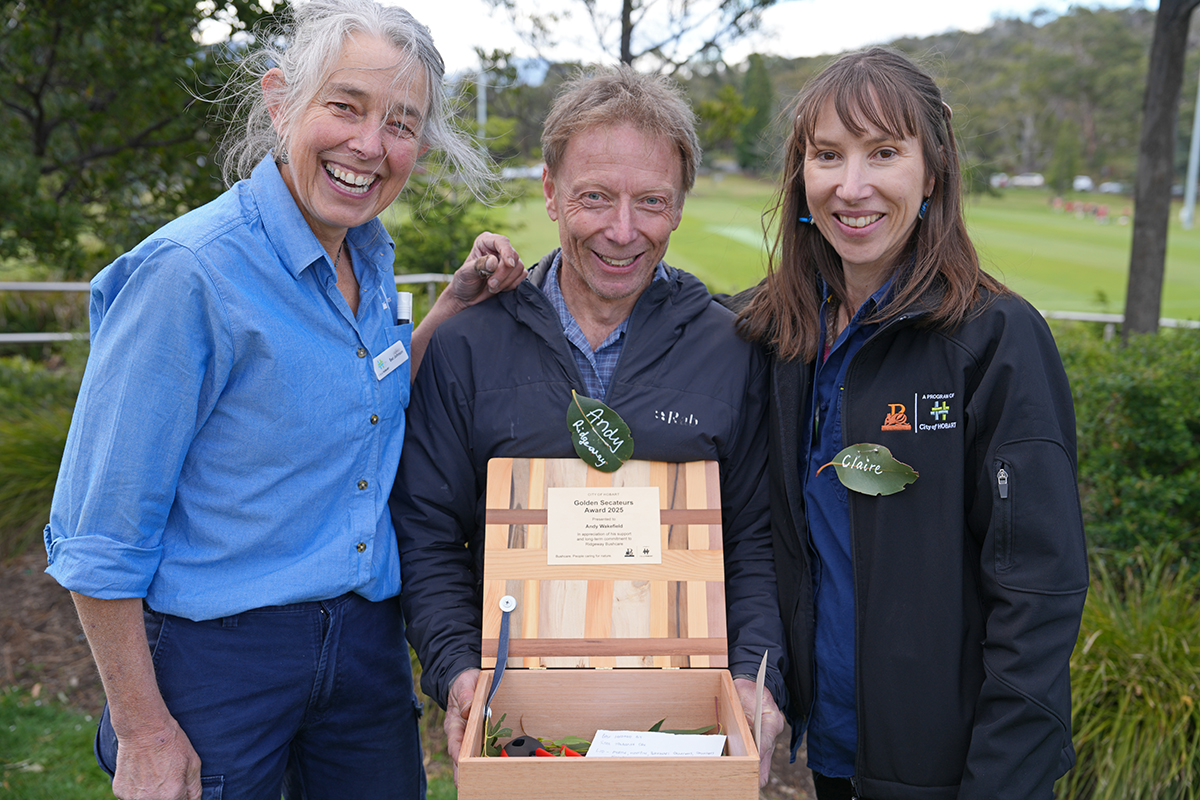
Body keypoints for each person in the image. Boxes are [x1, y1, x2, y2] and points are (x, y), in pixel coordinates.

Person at [42, 2, 524, 799]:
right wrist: (143, 728)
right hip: (216, 665)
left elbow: (362, 403)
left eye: (400, 124)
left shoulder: (366, 256)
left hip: (364, 651)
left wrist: (447, 311)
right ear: (279, 102)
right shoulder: (188, 275)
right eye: (345, 106)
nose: (369, 146)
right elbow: (100, 532)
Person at [390, 64, 787, 787]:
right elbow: (427, 533)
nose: (623, 231)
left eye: (652, 201)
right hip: (522, 732)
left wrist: (758, 680)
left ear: (679, 207)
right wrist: (454, 671)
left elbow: (755, 540)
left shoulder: (730, 350)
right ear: (549, 191)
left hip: (684, 732)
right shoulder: (466, 346)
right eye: (595, 198)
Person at [732, 48, 1089, 799]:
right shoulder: (778, 332)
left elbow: (1039, 593)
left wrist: (1000, 781)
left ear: (933, 172)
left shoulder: (995, 339)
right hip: (834, 755)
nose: (851, 186)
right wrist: (494, 296)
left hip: (955, 775)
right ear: (802, 175)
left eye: (884, 153)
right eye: (828, 155)